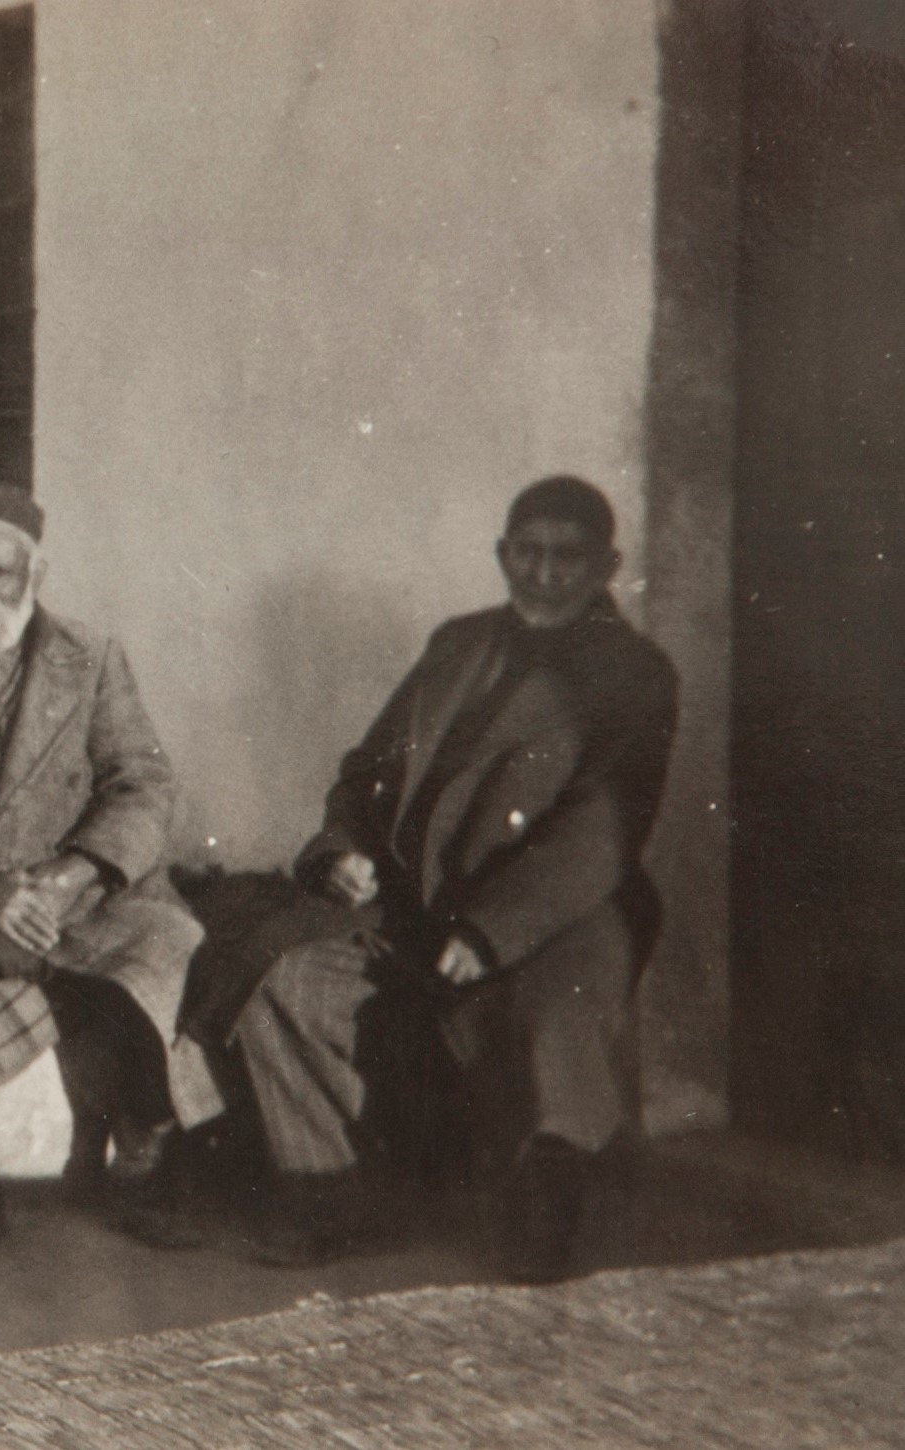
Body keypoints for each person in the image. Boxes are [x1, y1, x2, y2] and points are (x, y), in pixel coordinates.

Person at [207, 475, 678, 1277]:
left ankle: (547, 1203)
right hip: (416, 901)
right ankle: (334, 1197)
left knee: (551, 1028)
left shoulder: (635, 672)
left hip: (559, 911)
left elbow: (602, 828)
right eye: (526, 552)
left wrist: (490, 932)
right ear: (502, 555)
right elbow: (365, 771)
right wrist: (337, 852)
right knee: (280, 978)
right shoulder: (458, 644)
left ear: (608, 564)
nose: (544, 573)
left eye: (568, 557)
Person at [0, 483, 221, 1266]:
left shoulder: (91, 661)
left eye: (1, 574)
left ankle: (140, 1171)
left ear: (37, 574)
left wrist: (74, 873)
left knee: (165, 948)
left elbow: (144, 783)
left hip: (81, 897)